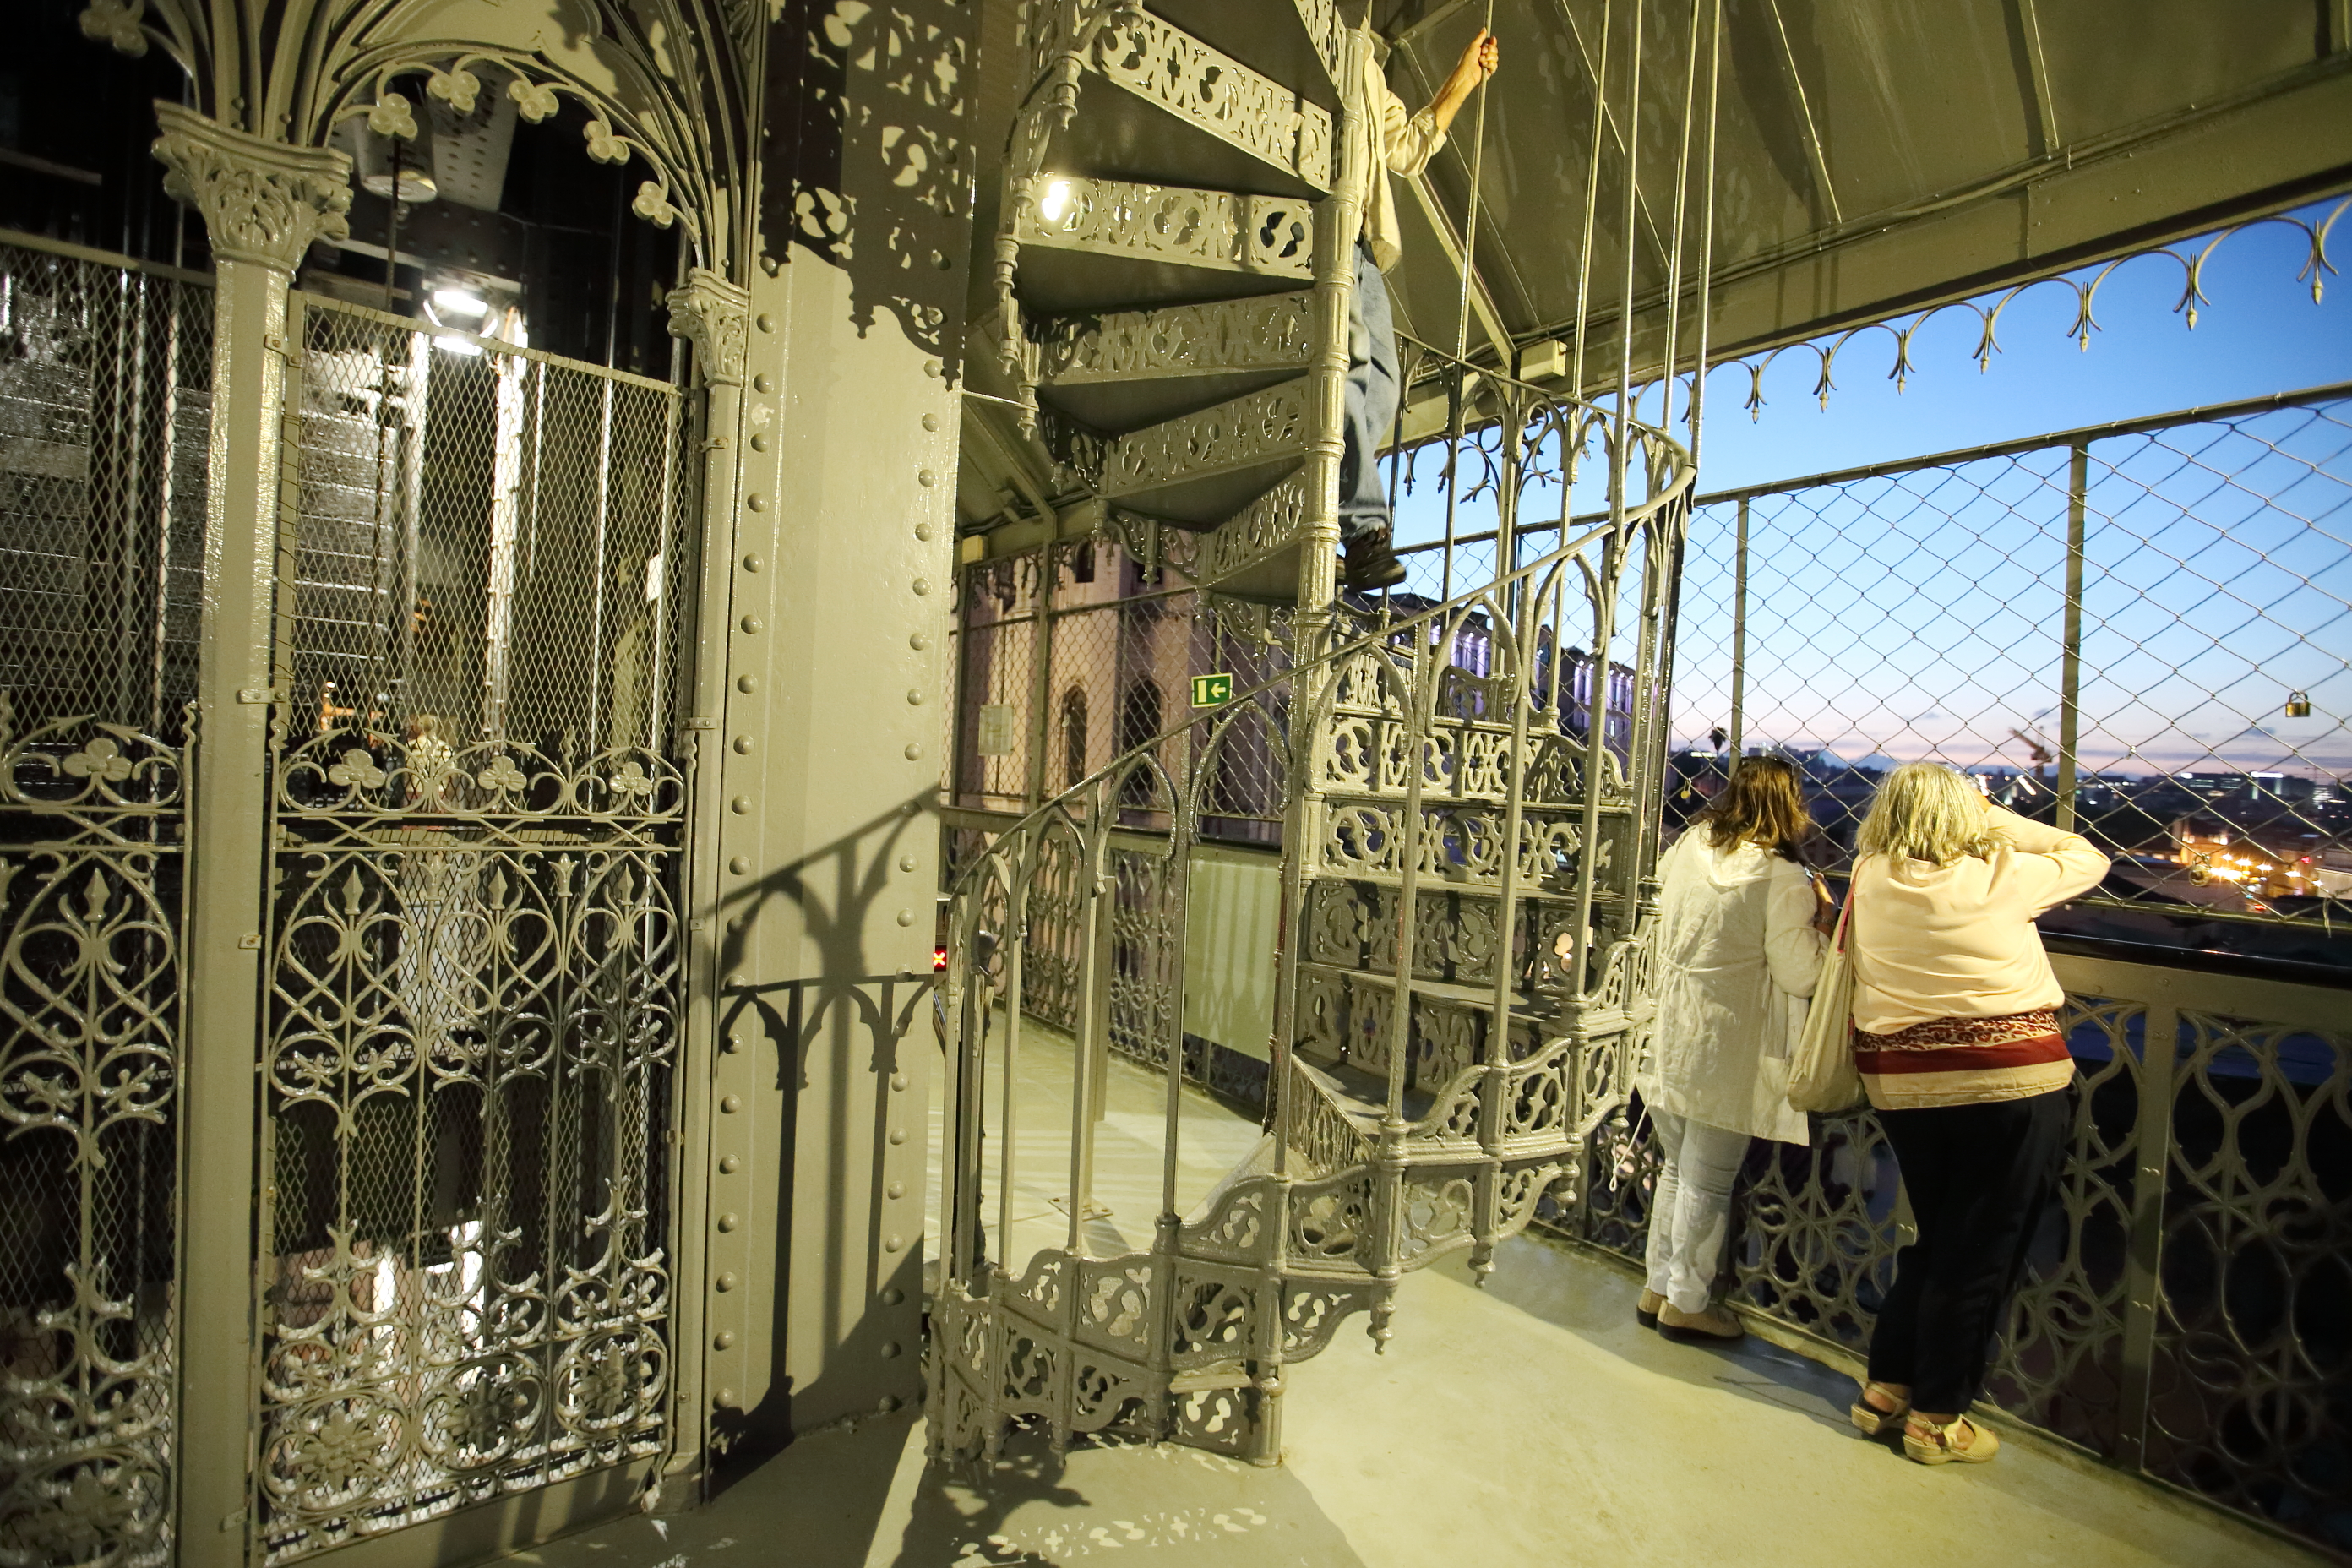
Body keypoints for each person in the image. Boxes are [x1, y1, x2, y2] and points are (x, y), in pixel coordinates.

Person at [1843, 763, 2107, 1465]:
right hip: (2007, 1085)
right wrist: (1995, 819)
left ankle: (1887, 1387)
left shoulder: (1869, 875)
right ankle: (1938, 1419)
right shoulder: (2001, 873)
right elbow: (2087, 857)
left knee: (1938, 1237)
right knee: (1984, 1250)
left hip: (1903, 1087)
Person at [1635, 757, 1833, 1342]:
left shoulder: (1690, 845)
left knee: (1677, 1169)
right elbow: (1800, 974)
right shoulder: (1782, 876)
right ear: (1791, 805)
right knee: (1710, 1181)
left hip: (1666, 1029)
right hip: (1729, 1042)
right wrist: (1824, 926)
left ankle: (1658, 1288)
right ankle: (1687, 1303)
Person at [1338, 22, 1500, 591]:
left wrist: (1465, 78)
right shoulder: (1304, 38)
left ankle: (1330, 505)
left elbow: (1405, 148)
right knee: (1346, 373)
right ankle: (1363, 529)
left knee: (1383, 387)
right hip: (1318, 228)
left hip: (1362, 241)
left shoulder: (1365, 65)